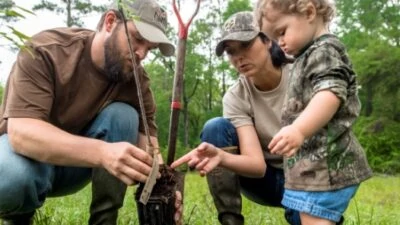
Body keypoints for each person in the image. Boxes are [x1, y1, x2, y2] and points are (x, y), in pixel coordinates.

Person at [0, 0, 183, 224]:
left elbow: (151, 152)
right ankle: (18, 216)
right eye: (137, 39)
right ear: (110, 22)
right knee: (12, 176)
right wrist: (103, 152)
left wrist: (165, 188)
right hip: (26, 160)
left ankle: (104, 220)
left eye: (150, 48)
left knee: (125, 115)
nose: (142, 53)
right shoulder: (46, 50)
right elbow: (21, 134)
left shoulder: (137, 81)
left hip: (75, 169)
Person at [171, 11, 301, 225]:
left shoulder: (302, 73)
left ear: (268, 40)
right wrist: (221, 157)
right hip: (265, 180)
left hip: (311, 178)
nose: (238, 57)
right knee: (215, 128)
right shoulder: (236, 96)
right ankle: (230, 221)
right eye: (231, 51)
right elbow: (257, 166)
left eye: (246, 45)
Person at [255, 0, 373, 224]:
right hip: (314, 166)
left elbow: (330, 93)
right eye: (274, 39)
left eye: (282, 32)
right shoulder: (308, 54)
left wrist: (298, 129)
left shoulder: (324, 51)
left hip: (327, 165)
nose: (279, 44)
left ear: (309, 12)